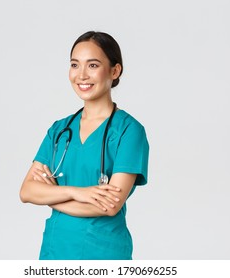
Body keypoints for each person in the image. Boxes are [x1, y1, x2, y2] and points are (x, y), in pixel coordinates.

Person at [20, 31, 149, 260]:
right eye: (74, 65)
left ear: (115, 70)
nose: (81, 75)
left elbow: (109, 206)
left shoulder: (129, 131)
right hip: (55, 251)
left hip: (103, 253)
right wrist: (79, 193)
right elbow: (27, 191)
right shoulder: (60, 130)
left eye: (93, 65)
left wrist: (52, 196)